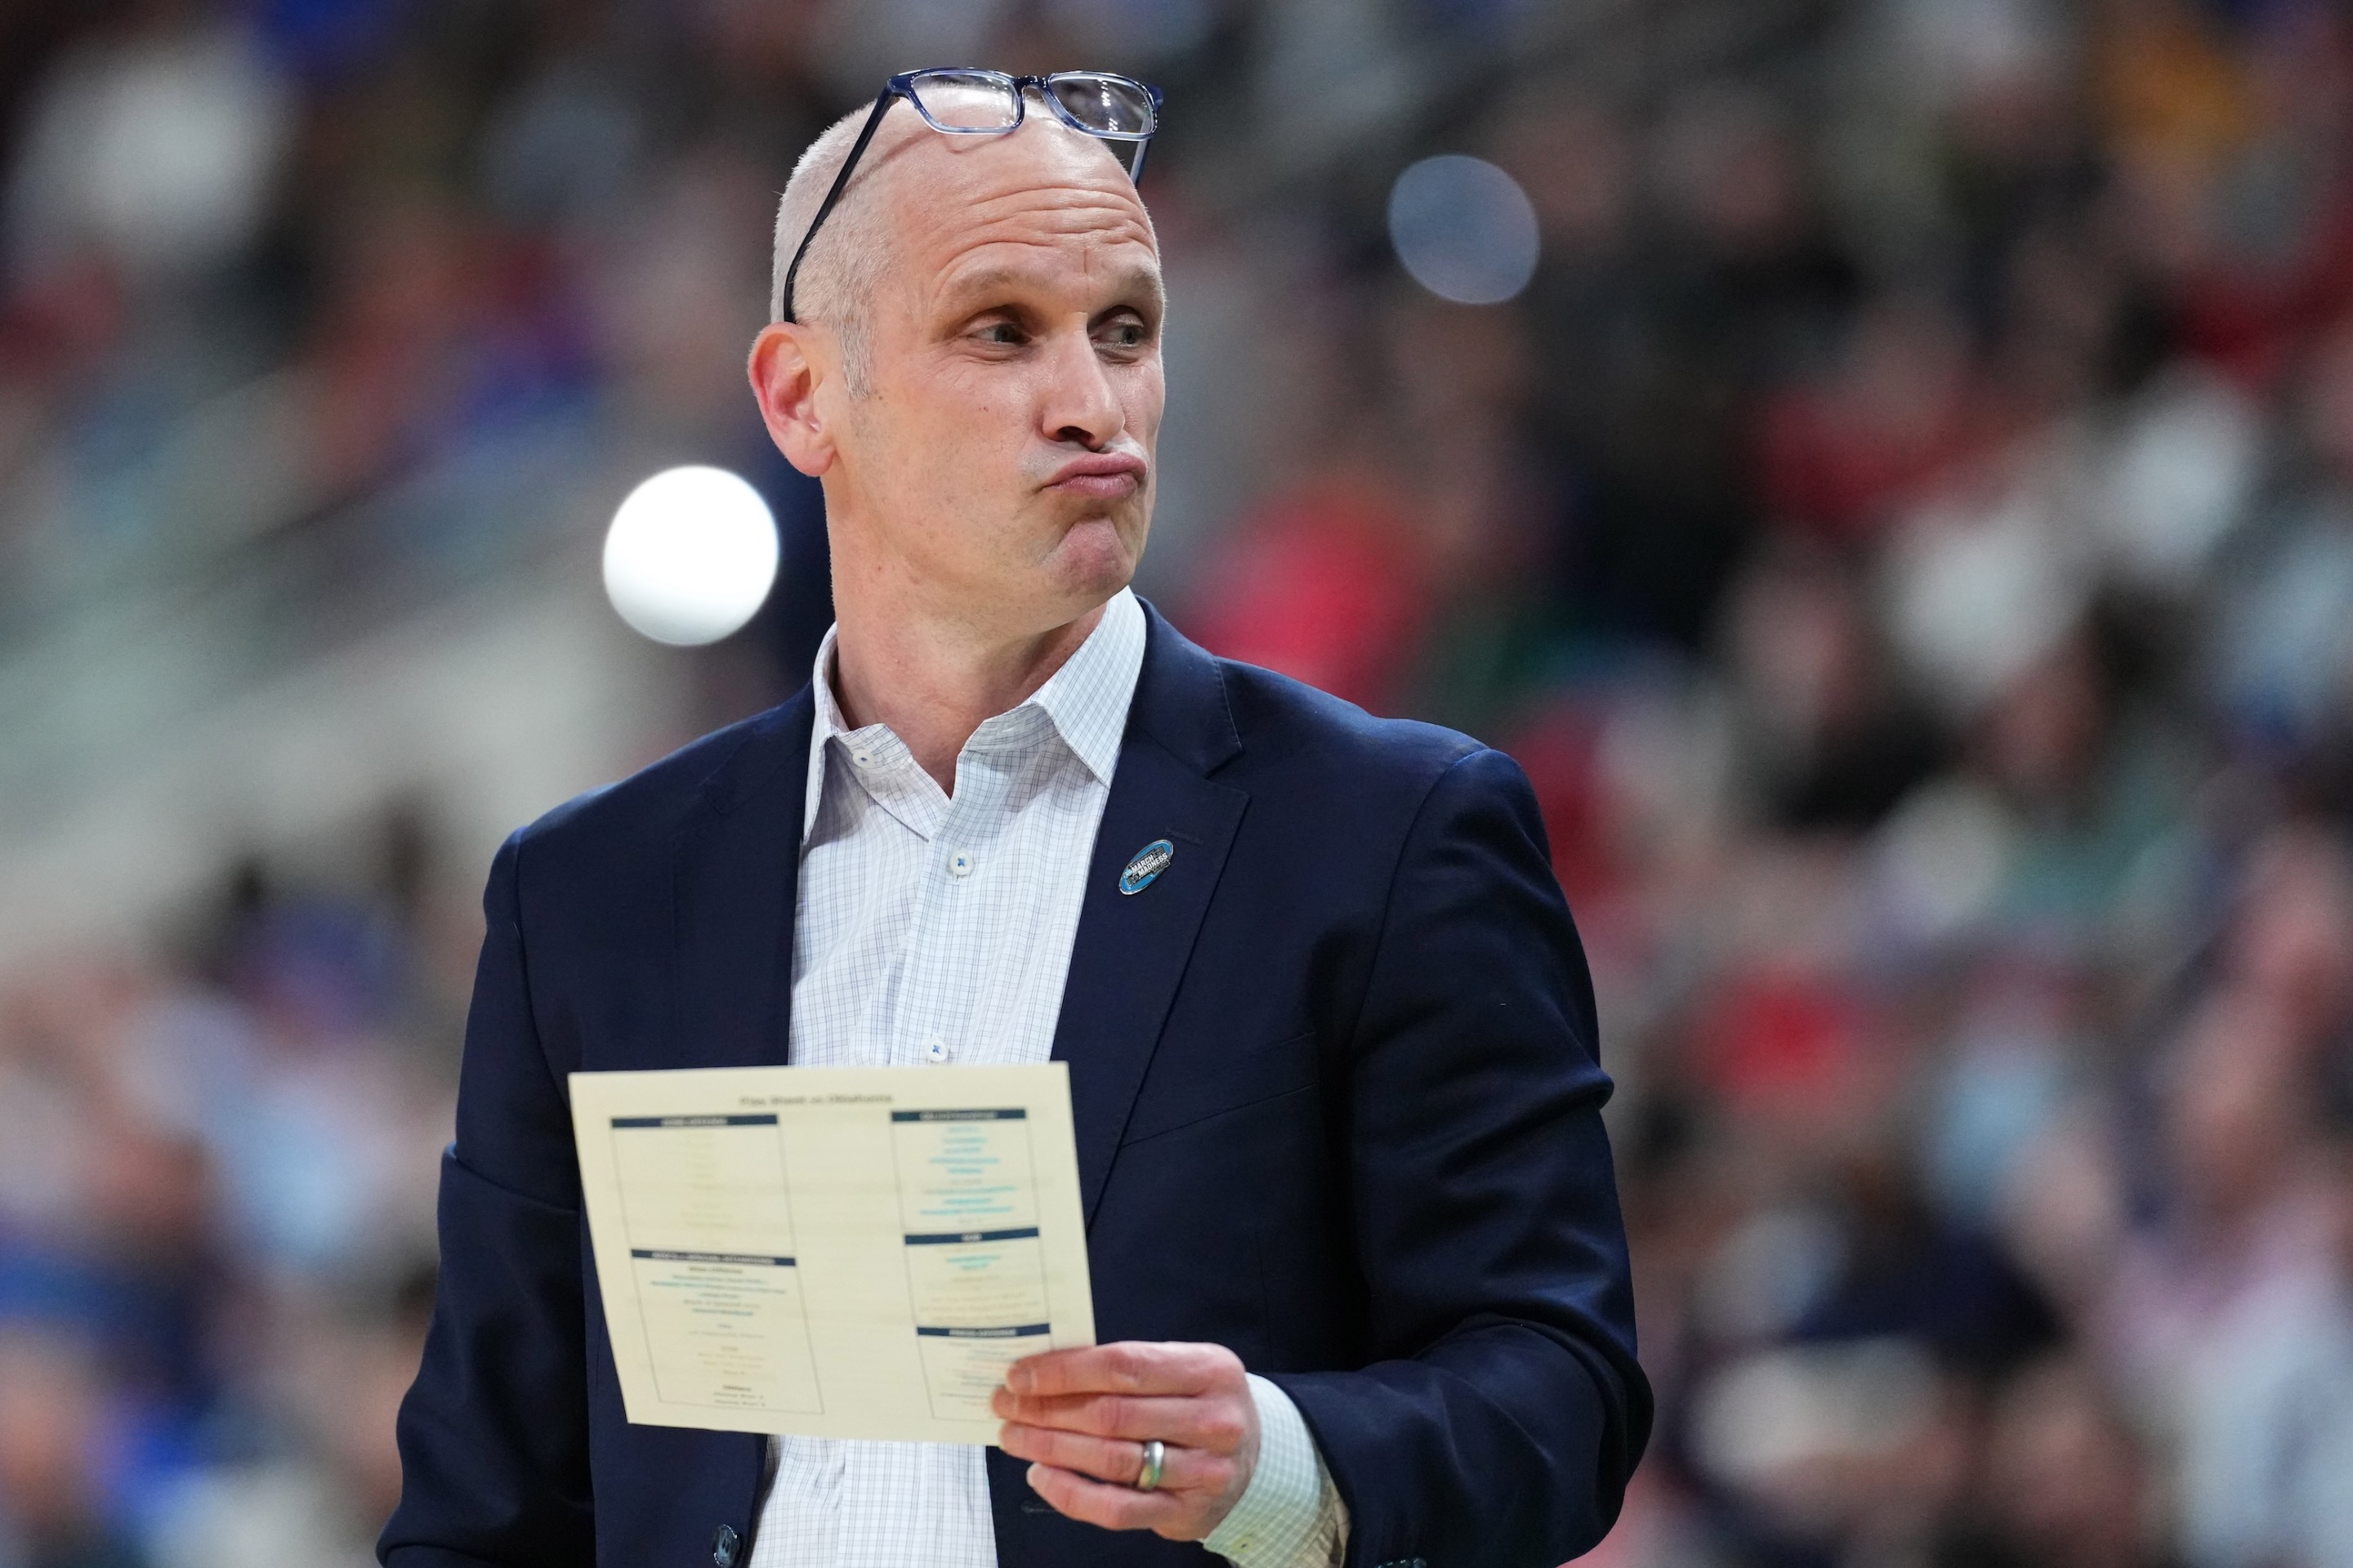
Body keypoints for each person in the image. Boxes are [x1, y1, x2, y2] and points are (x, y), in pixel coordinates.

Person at [378, 68, 1648, 1568]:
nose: (1093, 402)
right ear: (801, 396)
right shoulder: (586, 895)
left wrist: (1286, 1464)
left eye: (1126, 330)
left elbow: (1559, 1388)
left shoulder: (1390, 831)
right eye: (1001, 331)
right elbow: (488, 1503)